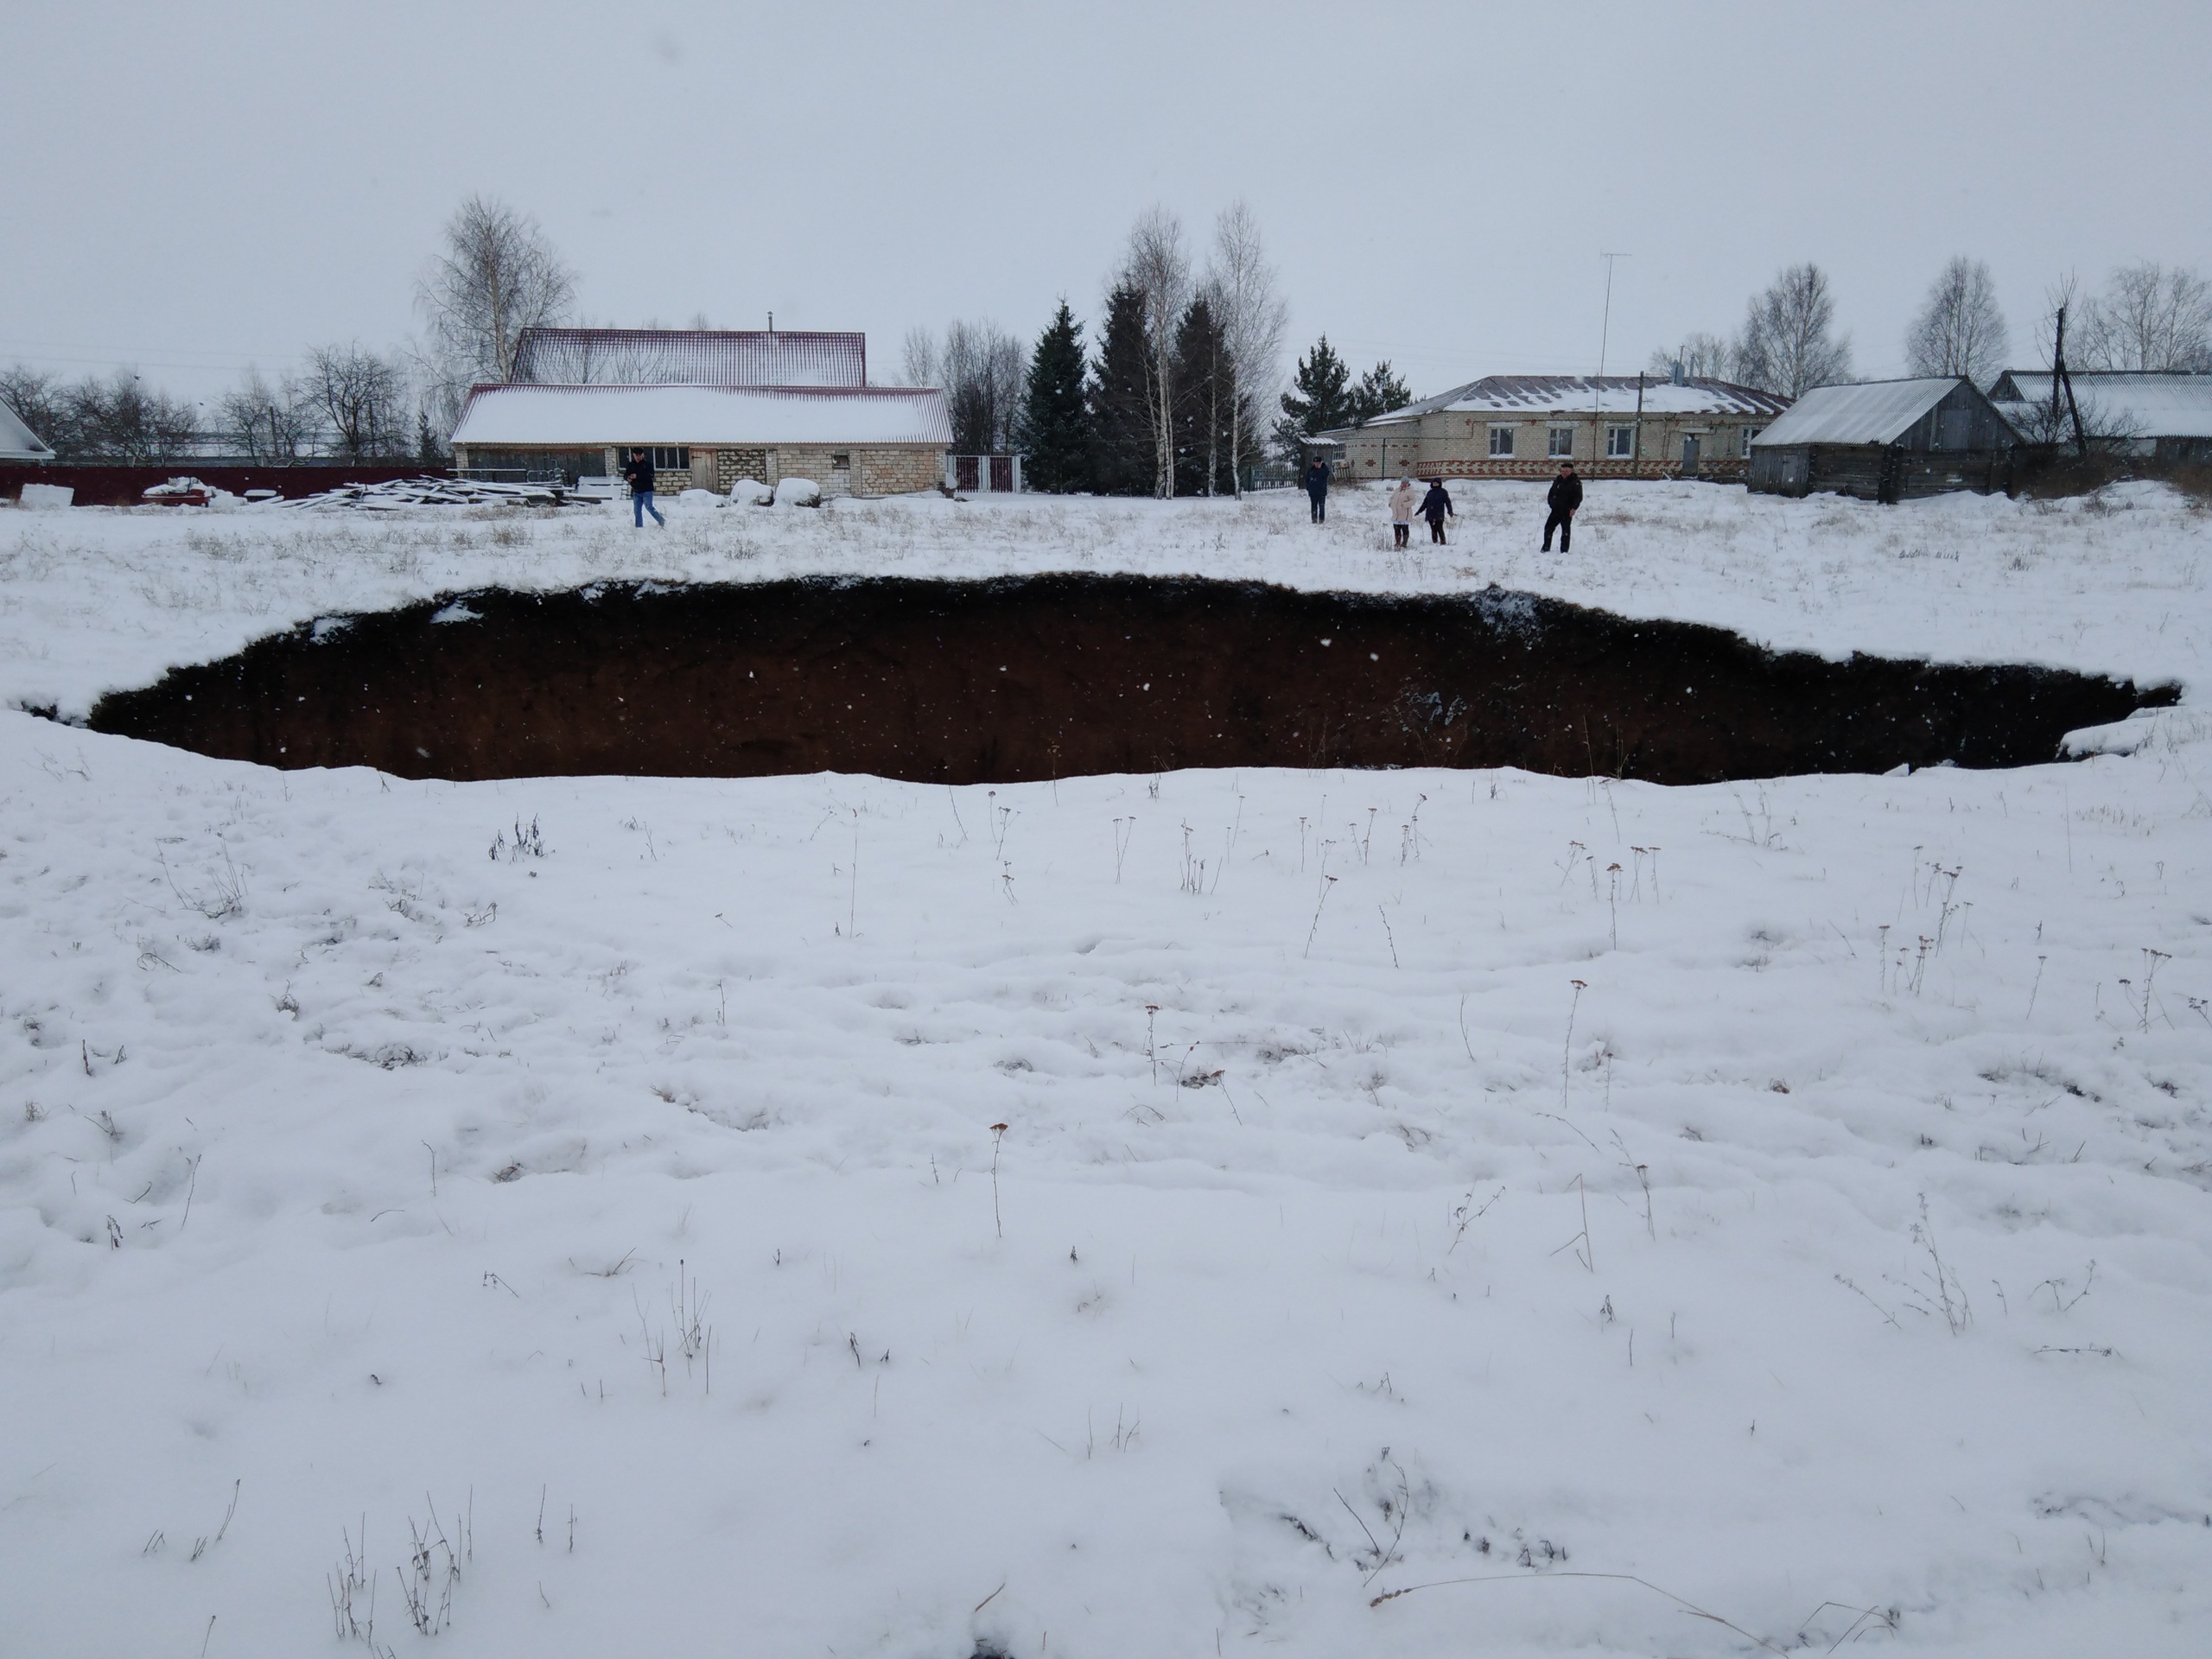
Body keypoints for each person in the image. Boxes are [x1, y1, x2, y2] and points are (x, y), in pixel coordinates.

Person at [1543, 460, 1582, 551]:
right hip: (1556, 510)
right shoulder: (1558, 480)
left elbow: (1578, 497)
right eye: (1563, 471)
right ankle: (1546, 547)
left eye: (1567, 471)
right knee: (1548, 528)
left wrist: (1574, 508)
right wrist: (1551, 503)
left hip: (1567, 510)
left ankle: (1564, 550)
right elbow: (1551, 492)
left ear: (1571, 471)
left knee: (1565, 531)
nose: (1564, 473)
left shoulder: (1575, 482)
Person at [624, 448, 664, 528]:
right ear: (633, 455)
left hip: (647, 491)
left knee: (649, 507)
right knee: (637, 511)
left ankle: (661, 521)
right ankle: (639, 527)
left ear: (642, 455)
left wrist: (637, 476)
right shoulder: (631, 465)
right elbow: (625, 474)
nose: (638, 457)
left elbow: (651, 475)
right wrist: (627, 477)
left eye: (640, 455)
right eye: (636, 455)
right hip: (636, 491)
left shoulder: (648, 465)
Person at [1419, 476, 1454, 543]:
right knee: (1433, 528)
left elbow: (1448, 502)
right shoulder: (1430, 492)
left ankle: (1443, 541)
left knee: (1439, 528)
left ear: (1439, 483)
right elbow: (1425, 503)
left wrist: (1450, 511)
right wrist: (1420, 511)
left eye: (1436, 483)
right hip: (1430, 513)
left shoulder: (1443, 492)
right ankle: (1434, 541)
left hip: (1439, 513)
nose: (1435, 484)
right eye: (1434, 482)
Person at [1388, 474, 1417, 548]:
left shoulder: (1410, 491)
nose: (1403, 484)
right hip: (1396, 514)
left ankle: (1404, 543)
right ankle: (1397, 542)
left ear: (1407, 483)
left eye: (1405, 482)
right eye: (1402, 482)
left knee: (1405, 529)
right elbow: (1392, 498)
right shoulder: (1397, 490)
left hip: (1405, 514)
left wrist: (1405, 505)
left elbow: (1413, 501)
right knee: (1396, 529)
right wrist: (1391, 504)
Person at [1304, 454, 1332, 523]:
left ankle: (1321, 520)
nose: (1316, 464)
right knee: (1313, 507)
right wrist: (1308, 488)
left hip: (1321, 492)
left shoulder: (1324, 469)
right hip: (1313, 492)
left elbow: (1325, 474)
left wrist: (1321, 468)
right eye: (1315, 462)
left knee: (1321, 507)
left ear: (1320, 463)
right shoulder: (1311, 470)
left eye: (1318, 463)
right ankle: (1314, 519)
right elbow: (1307, 479)